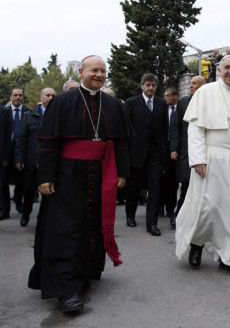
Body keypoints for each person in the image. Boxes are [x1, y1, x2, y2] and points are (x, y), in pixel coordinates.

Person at [28, 55, 131, 313]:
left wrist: (122, 172)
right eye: (94, 70)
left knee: (92, 224)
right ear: (82, 72)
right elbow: (49, 142)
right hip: (67, 175)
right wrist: (45, 177)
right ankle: (66, 288)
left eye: (103, 71)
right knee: (67, 229)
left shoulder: (112, 103)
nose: (99, 74)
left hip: (100, 172)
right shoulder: (62, 102)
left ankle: (85, 273)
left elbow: (121, 142)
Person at [175, 56, 230, 274]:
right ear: (219, 70)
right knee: (208, 207)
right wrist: (198, 159)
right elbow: (195, 129)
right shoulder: (205, 92)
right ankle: (197, 243)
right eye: (227, 68)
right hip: (212, 158)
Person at [124, 73, 169, 236]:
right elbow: (126, 130)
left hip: (155, 155)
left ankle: (152, 224)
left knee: (155, 188)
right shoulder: (131, 103)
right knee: (134, 188)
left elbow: (165, 130)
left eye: (153, 85)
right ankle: (130, 215)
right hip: (136, 153)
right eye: (147, 85)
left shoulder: (161, 104)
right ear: (142, 86)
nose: (150, 88)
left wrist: (165, 154)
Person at [14, 87, 55, 226]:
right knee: (29, 190)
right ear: (41, 97)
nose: (50, 98)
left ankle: (43, 219)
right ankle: (25, 214)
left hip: (50, 162)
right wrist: (19, 158)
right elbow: (21, 139)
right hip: (32, 160)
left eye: (52, 95)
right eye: (47, 95)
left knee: (49, 192)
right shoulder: (29, 115)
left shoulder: (58, 116)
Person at [170, 75, 205, 217]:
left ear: (203, 86)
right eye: (190, 83)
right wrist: (174, 148)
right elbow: (175, 127)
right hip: (186, 150)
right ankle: (179, 215)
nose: (191, 86)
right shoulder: (183, 102)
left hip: (204, 150)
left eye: (195, 84)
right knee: (186, 185)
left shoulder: (210, 102)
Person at [1, 88, 29, 217]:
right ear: (11, 97)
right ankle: (4, 209)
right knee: (3, 180)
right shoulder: (4, 112)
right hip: (7, 148)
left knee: (20, 179)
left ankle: (19, 202)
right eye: (15, 95)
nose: (18, 97)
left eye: (20, 95)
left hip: (22, 150)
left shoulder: (28, 112)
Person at [161, 87, 179, 228]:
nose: (165, 98)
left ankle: (170, 208)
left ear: (175, 97)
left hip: (176, 150)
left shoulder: (181, 109)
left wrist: (175, 148)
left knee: (173, 181)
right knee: (162, 179)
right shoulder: (162, 109)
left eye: (168, 96)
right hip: (162, 149)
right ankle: (160, 206)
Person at [0, 106, 11, 220]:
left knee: (2, 183)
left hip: (2, 154)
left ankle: (4, 209)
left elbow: (8, 136)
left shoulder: (4, 112)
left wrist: (6, 157)